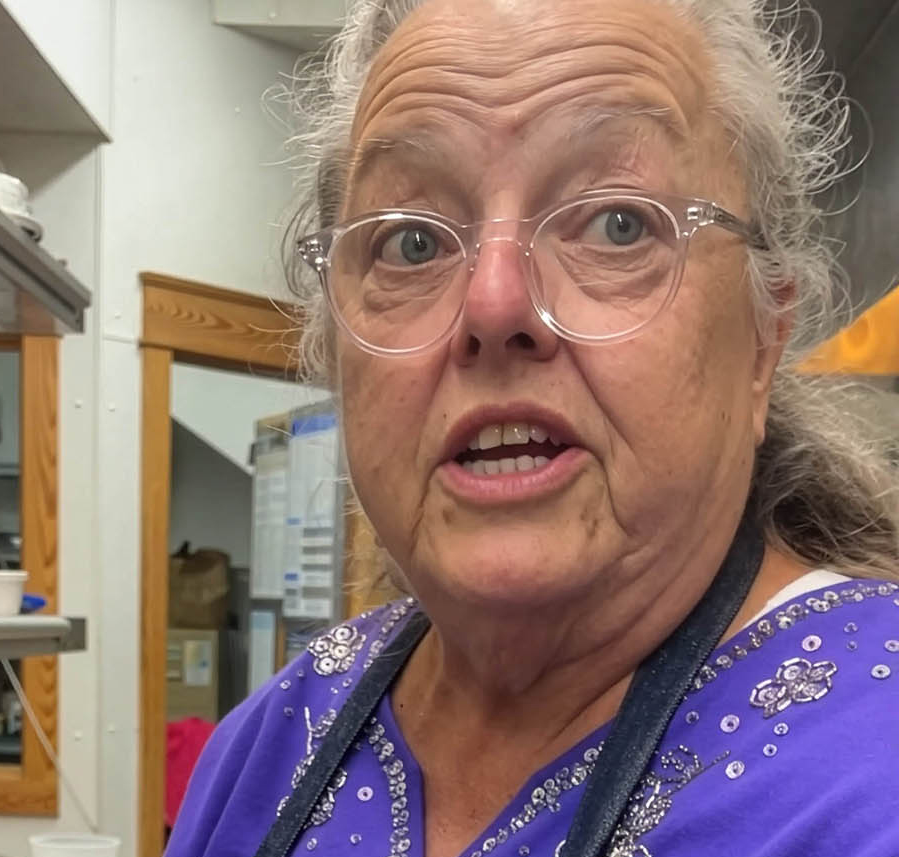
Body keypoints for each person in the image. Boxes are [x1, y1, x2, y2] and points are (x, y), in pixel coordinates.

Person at [166, 1, 899, 855]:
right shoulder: (268, 747)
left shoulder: (869, 772)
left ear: (762, 347)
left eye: (617, 222)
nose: (494, 305)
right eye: (410, 242)